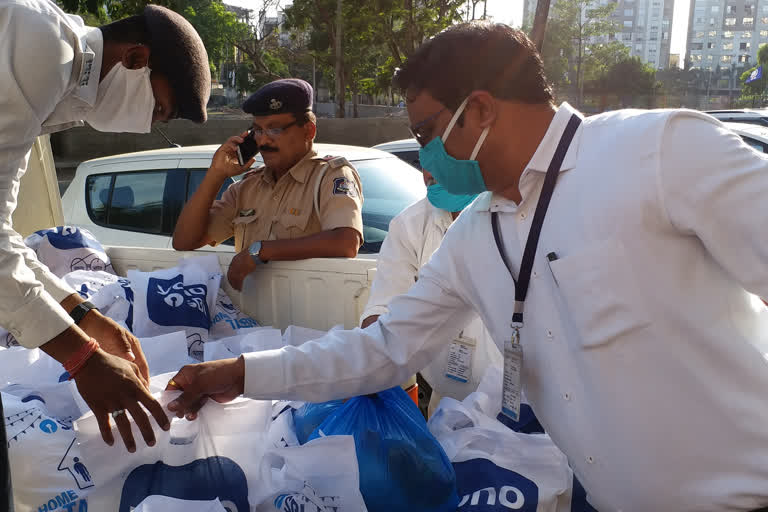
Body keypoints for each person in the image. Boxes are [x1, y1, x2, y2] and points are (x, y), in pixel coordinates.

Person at [165, 22, 768, 511]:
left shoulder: (658, 153)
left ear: (478, 109)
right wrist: (241, 373)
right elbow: (384, 349)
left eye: (425, 131)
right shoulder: (477, 232)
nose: (425, 154)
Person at [0, 0, 210, 475]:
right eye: (158, 109)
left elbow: (4, 235)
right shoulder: (42, 49)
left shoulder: (57, 71)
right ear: (135, 59)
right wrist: (82, 358)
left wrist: (85, 315)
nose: (149, 125)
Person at [172, 78, 364, 291]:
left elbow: (345, 243)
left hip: (312, 318)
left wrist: (261, 250)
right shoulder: (247, 187)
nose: (263, 141)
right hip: (256, 319)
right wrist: (216, 175)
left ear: (309, 131)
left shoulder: (330, 176)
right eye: (258, 131)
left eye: (275, 130)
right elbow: (184, 241)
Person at [360, 169, 501, 415]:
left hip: (524, 406)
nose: (429, 172)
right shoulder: (411, 224)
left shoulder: (515, 215)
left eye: (440, 155)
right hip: (448, 404)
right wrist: (368, 361)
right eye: (424, 155)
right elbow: (385, 308)